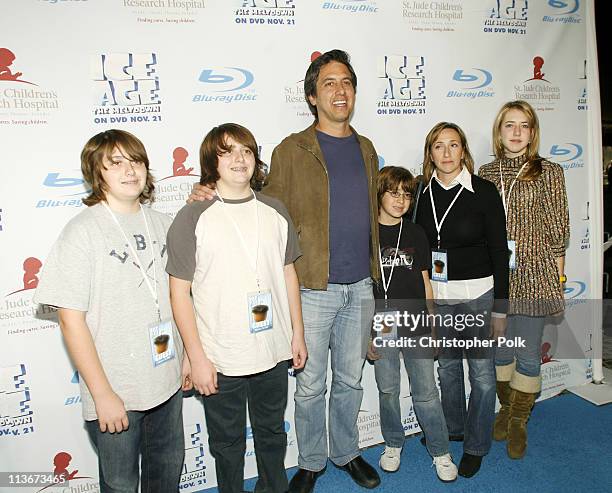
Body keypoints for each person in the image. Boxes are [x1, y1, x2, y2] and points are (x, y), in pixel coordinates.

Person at [189, 49, 381, 493]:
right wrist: (209, 192)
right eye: (329, 83)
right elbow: (258, 204)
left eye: (347, 82)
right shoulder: (291, 150)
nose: (340, 90)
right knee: (311, 384)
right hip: (312, 286)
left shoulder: (367, 148)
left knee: (350, 380)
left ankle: (347, 452)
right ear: (312, 96)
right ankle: (311, 461)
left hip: (362, 286)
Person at [34, 129, 186, 492]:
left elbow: (178, 299)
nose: (130, 170)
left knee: (166, 476)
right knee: (119, 485)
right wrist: (102, 394)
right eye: (115, 163)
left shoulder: (164, 223)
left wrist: (187, 358)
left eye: (135, 161)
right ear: (96, 173)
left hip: (167, 381)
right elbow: (71, 321)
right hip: (116, 388)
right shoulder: (81, 233)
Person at [166, 123, 307, 493]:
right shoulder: (192, 217)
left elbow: (288, 273)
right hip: (220, 355)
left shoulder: (276, 210)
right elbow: (179, 293)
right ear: (211, 163)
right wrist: (196, 357)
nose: (239, 159)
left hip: (273, 349)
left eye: (245, 150)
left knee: (272, 433)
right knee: (227, 444)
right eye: (227, 152)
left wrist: (298, 333)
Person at [415, 122, 509, 478]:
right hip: (440, 298)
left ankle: (476, 444)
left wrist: (501, 306)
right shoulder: (420, 194)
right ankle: (452, 428)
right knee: (448, 369)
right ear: (430, 153)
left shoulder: (484, 191)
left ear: (464, 150)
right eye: (438, 146)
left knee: (483, 376)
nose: (446, 153)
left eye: (453, 145)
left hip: (479, 297)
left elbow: (501, 252)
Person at [479, 100, 569, 460]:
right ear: (499, 132)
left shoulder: (549, 171)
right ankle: (505, 408)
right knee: (501, 350)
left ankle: (518, 420)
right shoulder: (485, 173)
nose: (516, 133)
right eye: (509, 125)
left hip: (534, 273)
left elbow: (559, 228)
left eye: (524, 126)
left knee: (528, 352)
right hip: (497, 276)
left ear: (532, 133)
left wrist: (558, 277)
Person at [367, 166, 458, 482]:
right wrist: (369, 333)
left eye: (406, 194)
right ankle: (393, 443)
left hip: (417, 321)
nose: (400, 200)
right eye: (393, 192)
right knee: (388, 390)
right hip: (383, 324)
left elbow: (426, 282)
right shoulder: (367, 235)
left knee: (426, 393)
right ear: (379, 194)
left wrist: (434, 326)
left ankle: (441, 451)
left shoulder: (417, 232)